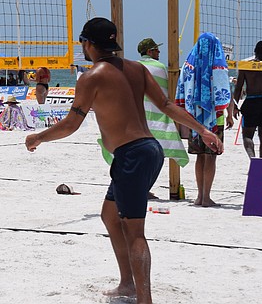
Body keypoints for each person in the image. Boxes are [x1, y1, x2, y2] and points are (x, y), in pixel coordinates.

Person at [25, 18, 222, 304]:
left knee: (135, 232)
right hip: (150, 150)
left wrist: (39, 137)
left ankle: (144, 299)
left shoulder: (91, 77)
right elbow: (166, 106)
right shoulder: (137, 68)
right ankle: (127, 283)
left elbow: (71, 124)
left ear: (87, 44)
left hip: (133, 155)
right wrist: (202, 130)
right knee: (109, 215)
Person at [99, 38, 189, 199]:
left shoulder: (132, 67)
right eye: (156, 50)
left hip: (135, 117)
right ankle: (145, 189)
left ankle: (138, 188)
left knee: (135, 157)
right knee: (156, 155)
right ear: (149, 52)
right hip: (157, 117)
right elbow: (169, 93)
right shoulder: (160, 67)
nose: (159, 52)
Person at [175, 32, 232, 207]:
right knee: (211, 157)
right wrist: (229, 113)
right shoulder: (218, 65)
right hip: (215, 117)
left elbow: (180, 89)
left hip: (193, 119)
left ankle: (200, 196)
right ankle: (206, 197)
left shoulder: (188, 64)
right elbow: (224, 92)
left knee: (199, 156)